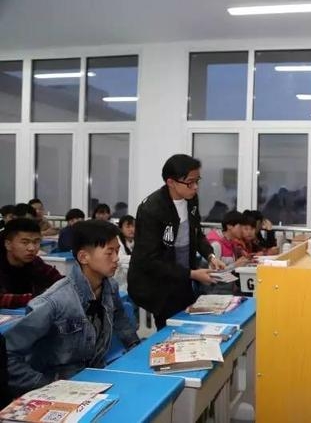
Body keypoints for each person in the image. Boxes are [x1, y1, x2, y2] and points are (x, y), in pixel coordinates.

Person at [4, 220, 139, 395]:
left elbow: (119, 317)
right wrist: (45, 385)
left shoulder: (109, 286)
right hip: (59, 386)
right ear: (83, 257)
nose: (116, 258)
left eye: (117, 251)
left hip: (93, 378)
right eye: (109, 252)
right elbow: (8, 353)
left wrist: (135, 346)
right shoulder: (54, 302)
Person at [127, 154, 225, 328]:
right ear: (171, 182)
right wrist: (192, 274)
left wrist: (211, 256)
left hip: (183, 276)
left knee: (188, 324)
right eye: (190, 182)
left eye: (197, 181)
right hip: (159, 283)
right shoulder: (151, 209)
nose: (195, 187)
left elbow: (196, 232)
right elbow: (150, 260)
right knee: (170, 329)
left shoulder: (191, 199)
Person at [0, 218, 63, 309]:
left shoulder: (36, 263)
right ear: (8, 244)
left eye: (36, 242)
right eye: (25, 242)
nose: (32, 248)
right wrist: (39, 297)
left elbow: (61, 282)